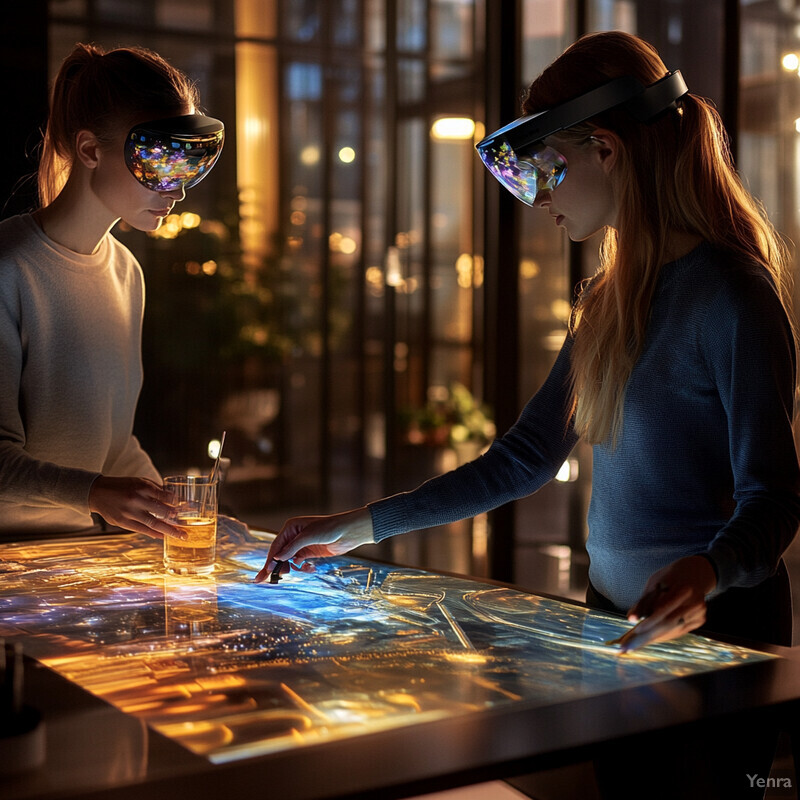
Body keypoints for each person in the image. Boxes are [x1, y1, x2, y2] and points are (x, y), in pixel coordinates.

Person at [257, 31, 800, 654]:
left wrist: (705, 573)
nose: (539, 199)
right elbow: (526, 457)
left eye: (545, 170)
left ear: (605, 150)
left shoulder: (732, 295)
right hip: (614, 624)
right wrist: (358, 527)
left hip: (720, 630)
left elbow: (775, 501)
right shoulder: (607, 297)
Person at [0, 42, 225, 541]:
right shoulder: (9, 270)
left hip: (80, 557)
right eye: (158, 161)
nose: (176, 189)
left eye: (186, 164)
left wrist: (183, 517)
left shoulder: (125, 273)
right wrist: (96, 493)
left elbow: (115, 448)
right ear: (89, 150)